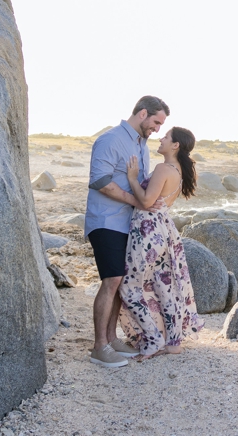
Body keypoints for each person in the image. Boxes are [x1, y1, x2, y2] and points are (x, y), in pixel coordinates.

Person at [84, 95, 167, 368]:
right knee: (112, 281)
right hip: (106, 221)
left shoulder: (141, 145)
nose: (157, 128)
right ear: (142, 113)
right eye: (156, 122)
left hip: (127, 225)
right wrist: (138, 201)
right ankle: (99, 347)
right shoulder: (111, 140)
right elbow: (100, 181)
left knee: (120, 285)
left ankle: (111, 339)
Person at [111, 126, 204, 360]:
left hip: (147, 231)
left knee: (129, 287)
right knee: (165, 286)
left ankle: (153, 340)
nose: (160, 139)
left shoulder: (163, 168)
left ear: (175, 146)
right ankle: (173, 342)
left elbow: (145, 201)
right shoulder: (179, 170)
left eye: (166, 137)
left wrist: (132, 178)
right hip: (165, 232)